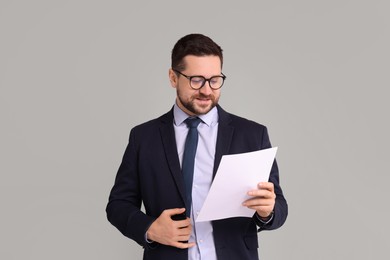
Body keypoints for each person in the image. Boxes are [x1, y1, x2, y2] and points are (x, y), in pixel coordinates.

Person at [106, 33, 288, 260]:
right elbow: (118, 205)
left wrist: (267, 211)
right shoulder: (143, 137)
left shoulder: (252, 135)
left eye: (214, 80)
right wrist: (150, 229)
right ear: (173, 77)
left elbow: (279, 207)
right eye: (196, 80)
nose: (206, 90)